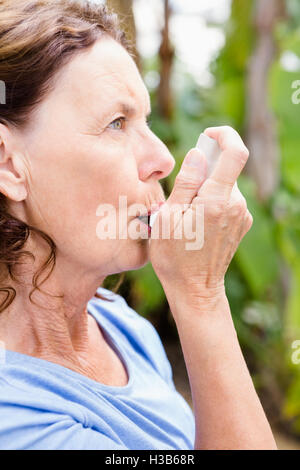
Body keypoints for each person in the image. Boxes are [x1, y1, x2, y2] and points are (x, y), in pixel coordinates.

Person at [0, 0, 277, 450]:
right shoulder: (17, 418)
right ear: (9, 163)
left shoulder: (120, 325)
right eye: (116, 123)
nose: (162, 159)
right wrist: (200, 296)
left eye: (143, 121)